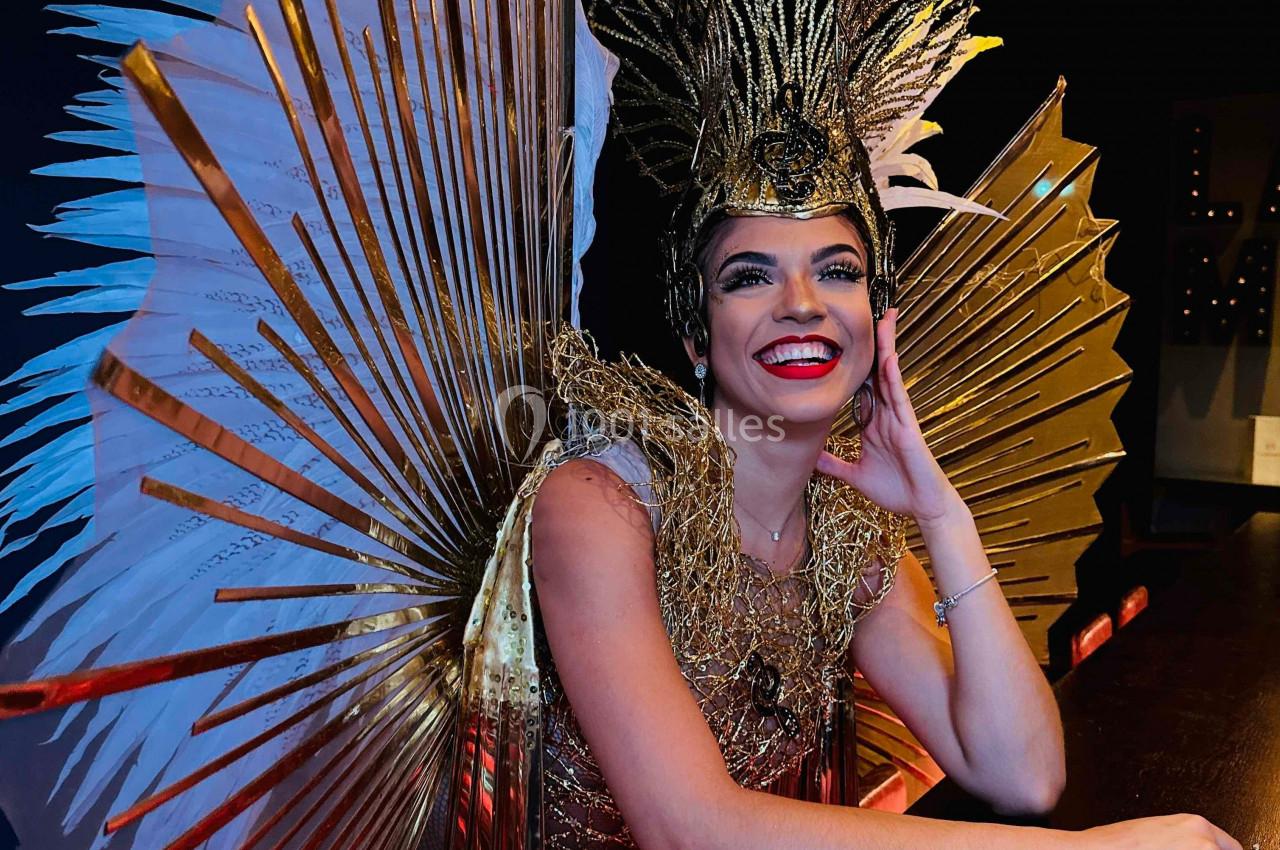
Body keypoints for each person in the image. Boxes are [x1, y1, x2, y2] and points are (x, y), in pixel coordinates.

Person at [0, 2, 1243, 850]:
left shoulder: (855, 542)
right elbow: (688, 822)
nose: (801, 303)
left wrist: (947, 514)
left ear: (880, 319)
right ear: (697, 333)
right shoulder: (599, 499)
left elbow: (1023, 775)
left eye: (839, 270)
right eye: (749, 274)